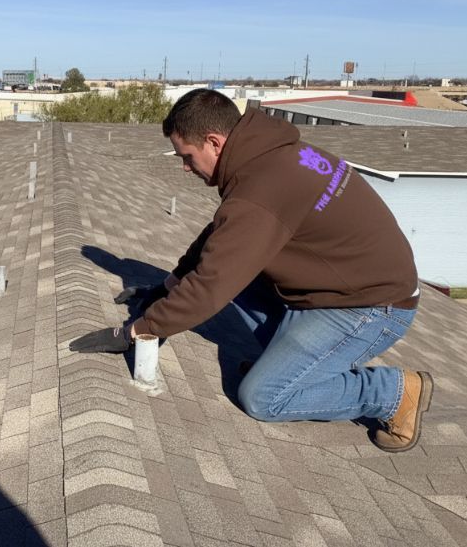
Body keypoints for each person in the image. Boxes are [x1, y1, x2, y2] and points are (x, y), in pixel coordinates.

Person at [126, 88, 433, 452]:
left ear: (214, 142)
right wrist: (170, 284)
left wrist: (140, 330)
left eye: (188, 157)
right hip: (340, 286)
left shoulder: (262, 186)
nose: (185, 167)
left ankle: (394, 393)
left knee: (263, 396)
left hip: (372, 306)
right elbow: (223, 238)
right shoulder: (267, 156)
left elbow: (212, 284)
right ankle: (287, 363)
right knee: (232, 270)